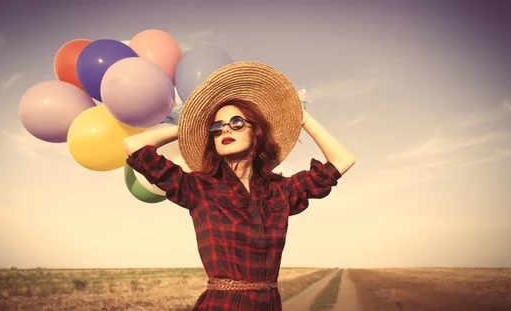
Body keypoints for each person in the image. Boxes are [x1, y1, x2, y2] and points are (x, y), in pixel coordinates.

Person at [124, 62, 355, 311]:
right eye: (216, 127)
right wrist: (190, 127)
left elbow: (342, 160)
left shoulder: (280, 191)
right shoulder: (199, 189)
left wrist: (301, 116)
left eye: (236, 122)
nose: (225, 129)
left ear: (256, 131)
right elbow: (134, 144)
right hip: (222, 305)